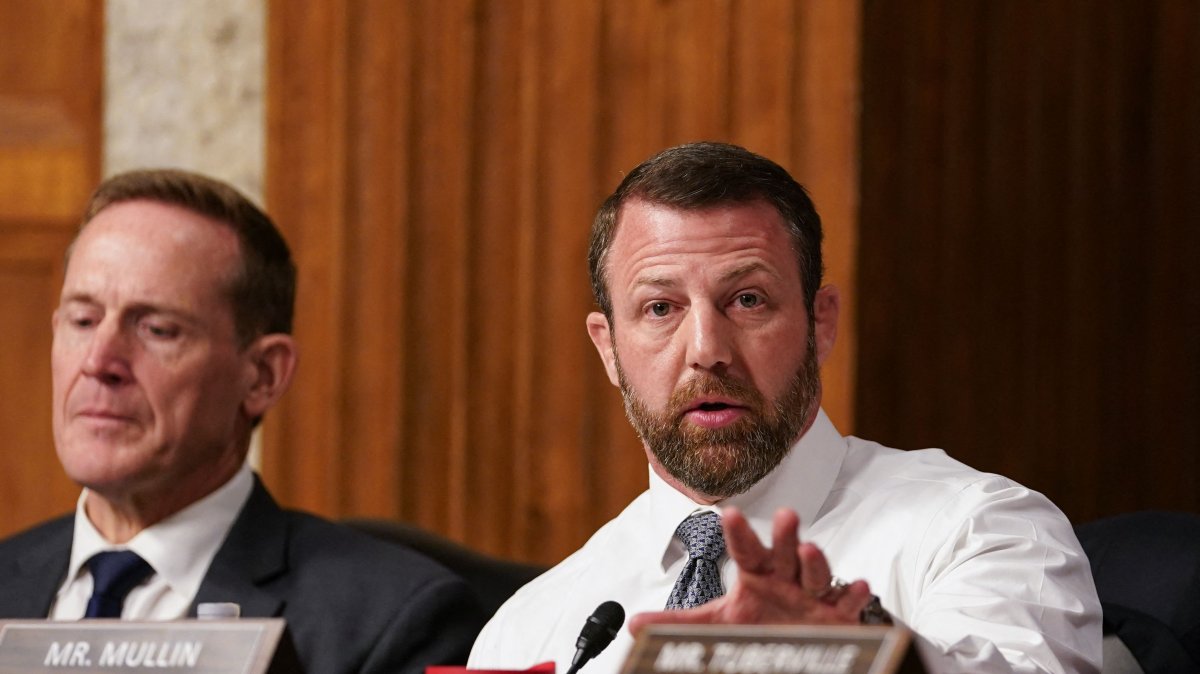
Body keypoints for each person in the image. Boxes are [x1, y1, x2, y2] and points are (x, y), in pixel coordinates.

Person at [469, 142, 1102, 674]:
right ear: (608, 349)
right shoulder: (534, 627)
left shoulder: (979, 530)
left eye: (747, 300)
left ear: (820, 324)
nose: (707, 351)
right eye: (661, 308)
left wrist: (867, 657)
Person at [0, 169, 485, 674]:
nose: (99, 361)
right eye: (82, 321)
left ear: (262, 376)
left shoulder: (387, 620)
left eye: (158, 329)